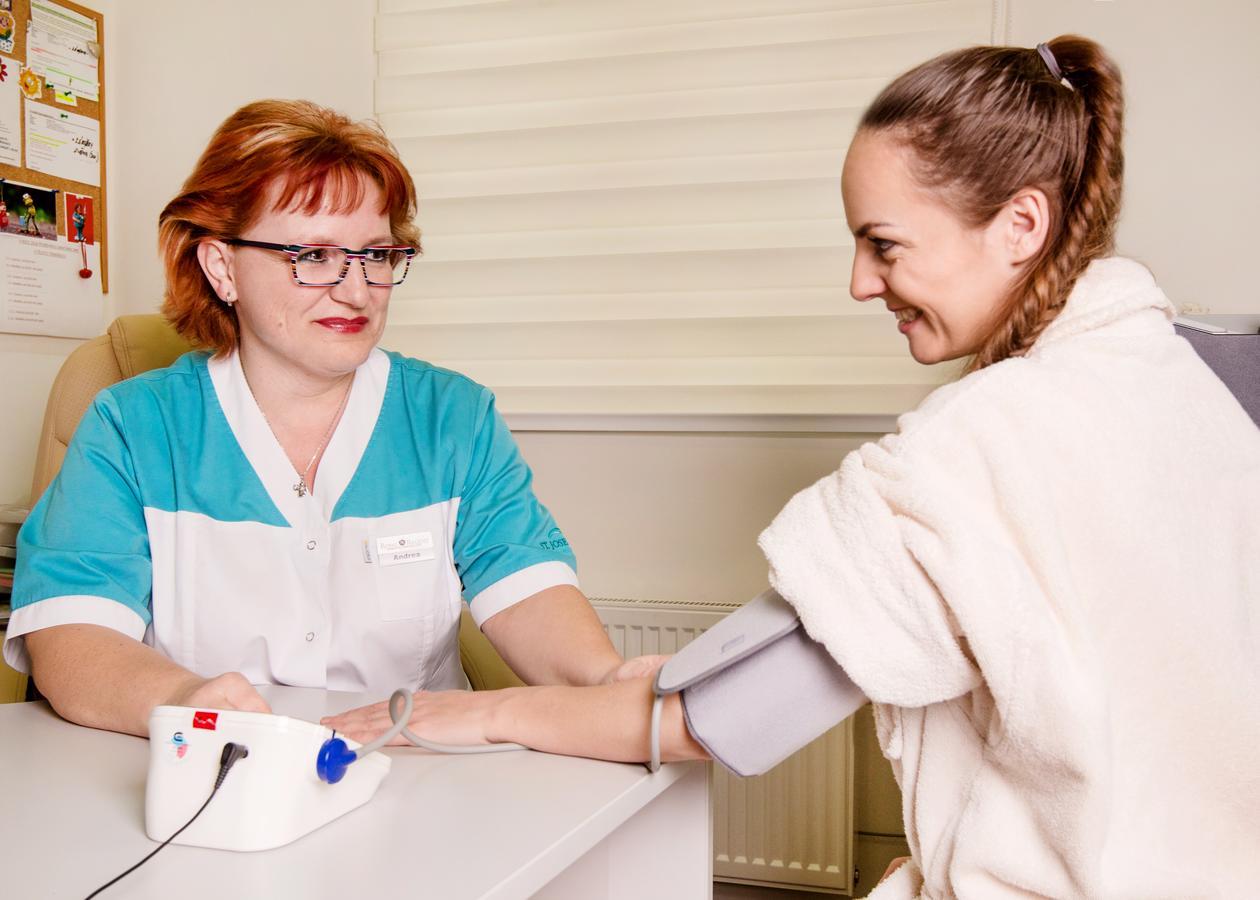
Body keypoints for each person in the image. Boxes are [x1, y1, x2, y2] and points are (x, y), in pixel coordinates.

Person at [326, 35, 1260, 897]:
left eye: (883, 244)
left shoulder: (968, 452)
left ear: (1021, 224)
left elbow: (721, 716)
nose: (860, 281)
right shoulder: (1212, 377)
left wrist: (482, 716)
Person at [4, 99, 628, 738]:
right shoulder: (132, 427)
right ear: (222, 267)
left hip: (414, 778)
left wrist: (609, 682)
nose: (356, 291)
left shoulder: (453, 417)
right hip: (215, 778)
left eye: (377, 256)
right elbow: (70, 635)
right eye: (314, 256)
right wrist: (191, 698)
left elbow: (527, 590)